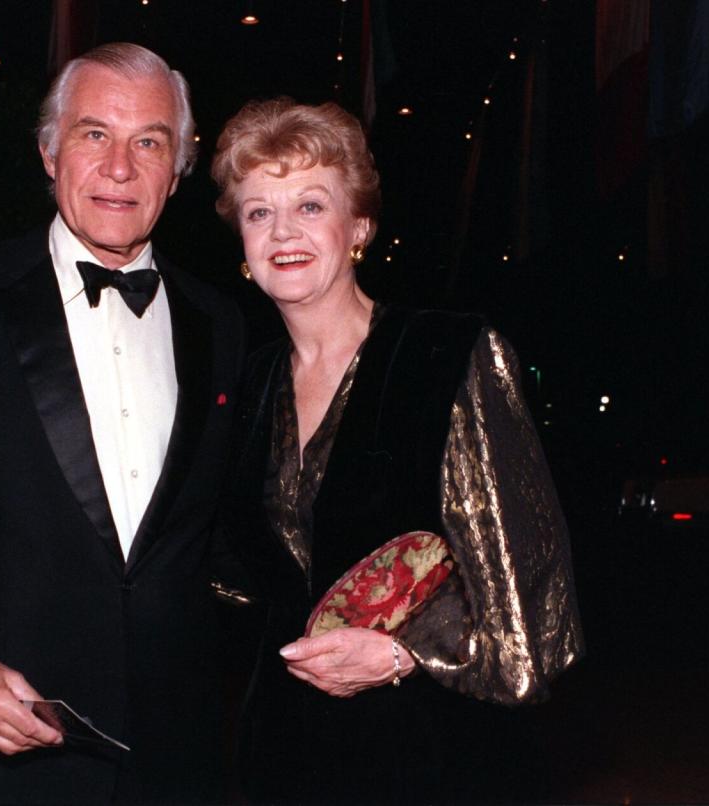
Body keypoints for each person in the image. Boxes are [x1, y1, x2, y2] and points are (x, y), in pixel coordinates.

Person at [0, 43, 242, 804]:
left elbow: (223, 540)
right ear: (49, 150)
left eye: (149, 141)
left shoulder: (219, 324)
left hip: (175, 767)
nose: (120, 167)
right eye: (94, 134)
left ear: (180, 165)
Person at [210, 98, 584, 803]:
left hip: (428, 753)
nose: (283, 232)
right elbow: (228, 569)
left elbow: (531, 605)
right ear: (242, 242)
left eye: (311, 206)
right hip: (280, 753)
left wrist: (400, 652)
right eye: (259, 212)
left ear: (360, 228)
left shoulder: (447, 357)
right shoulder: (248, 382)